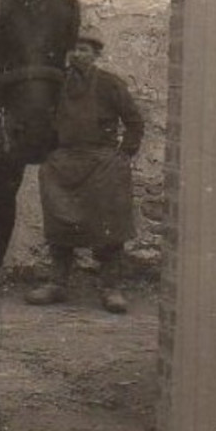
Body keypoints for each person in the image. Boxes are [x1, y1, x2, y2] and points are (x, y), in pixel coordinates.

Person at [25, 19, 145, 314]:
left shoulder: (109, 84)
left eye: (83, 49)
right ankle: (58, 283)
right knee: (59, 226)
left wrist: (123, 155)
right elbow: (38, 120)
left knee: (108, 228)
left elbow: (134, 121)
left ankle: (110, 287)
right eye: (73, 50)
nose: (77, 55)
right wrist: (47, 154)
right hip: (62, 164)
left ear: (95, 54)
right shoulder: (55, 87)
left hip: (101, 164)